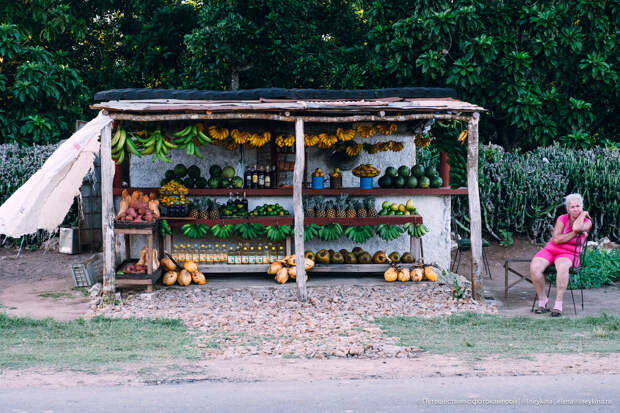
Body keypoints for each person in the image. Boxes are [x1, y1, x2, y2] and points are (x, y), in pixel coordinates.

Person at [530, 193, 592, 317]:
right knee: (535, 267)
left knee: (563, 267)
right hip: (551, 250)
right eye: (572, 207)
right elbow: (556, 239)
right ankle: (542, 300)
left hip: (569, 253)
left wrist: (584, 214)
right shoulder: (562, 218)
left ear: (582, 207)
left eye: (578, 206)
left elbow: (577, 226)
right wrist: (575, 234)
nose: (576, 209)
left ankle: (558, 304)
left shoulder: (587, 222)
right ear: (568, 209)